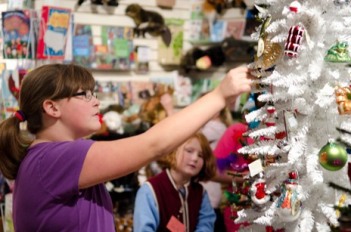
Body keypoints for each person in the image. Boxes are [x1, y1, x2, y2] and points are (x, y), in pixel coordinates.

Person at [0, 63, 252, 231]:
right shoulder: (55, 158)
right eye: (84, 94)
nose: (96, 102)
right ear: (52, 107)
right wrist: (219, 95)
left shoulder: (47, 158)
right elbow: (153, 144)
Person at [133, 132, 217, 231]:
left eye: (200, 155)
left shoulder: (201, 193)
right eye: (189, 151)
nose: (195, 158)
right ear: (173, 150)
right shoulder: (150, 191)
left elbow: (206, 225)